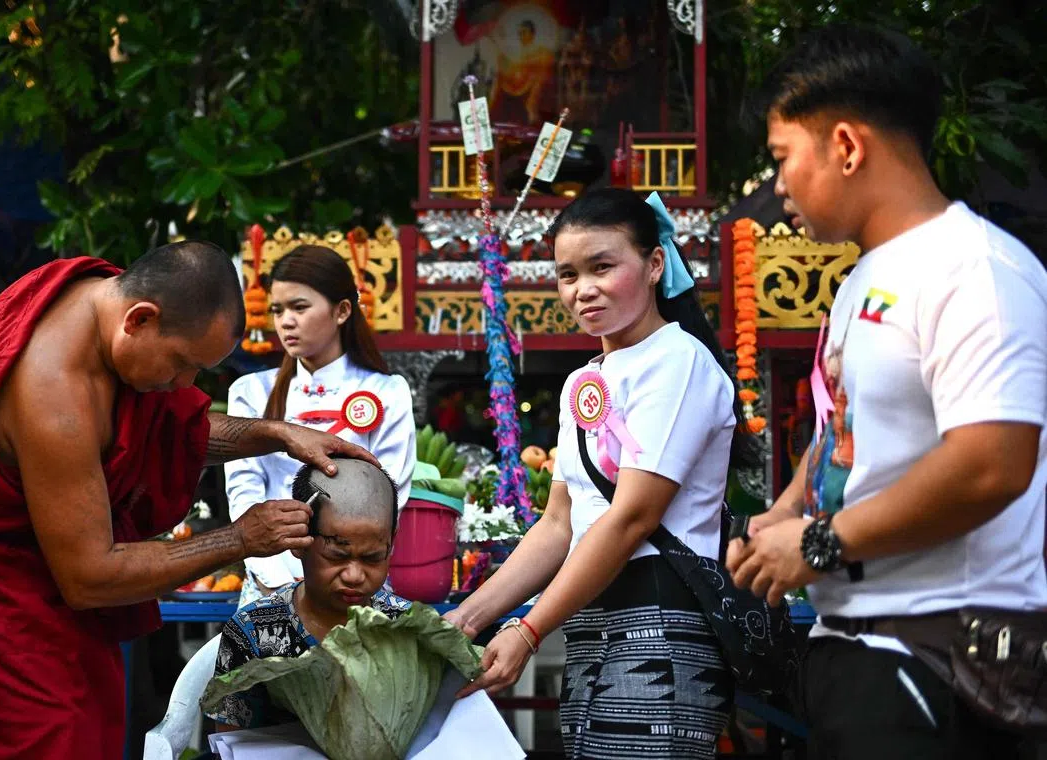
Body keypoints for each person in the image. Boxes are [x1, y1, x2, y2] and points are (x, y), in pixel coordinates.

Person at [0, 244, 375, 759]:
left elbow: (173, 433)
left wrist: (275, 434)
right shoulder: (52, 395)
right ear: (140, 319)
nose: (183, 386)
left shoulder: (103, 306)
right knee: (53, 739)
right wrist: (240, 538)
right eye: (181, 365)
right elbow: (90, 576)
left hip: (54, 595)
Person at [726, 25, 1047, 759]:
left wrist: (815, 543)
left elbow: (993, 462)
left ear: (846, 145)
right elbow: (847, 433)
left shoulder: (976, 271)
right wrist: (778, 518)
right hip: (859, 648)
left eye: (782, 158)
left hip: (938, 655)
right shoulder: (861, 279)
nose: (776, 187)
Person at [445, 188, 759, 759]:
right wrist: (466, 619)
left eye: (602, 267)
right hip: (590, 627)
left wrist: (528, 630)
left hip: (663, 631)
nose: (582, 289)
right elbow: (558, 524)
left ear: (655, 264)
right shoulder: (581, 381)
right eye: (567, 274)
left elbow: (632, 518)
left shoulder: (680, 361)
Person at [225, 246, 415, 604]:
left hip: (353, 579)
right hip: (268, 580)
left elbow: (390, 498)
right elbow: (243, 494)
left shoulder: (387, 392)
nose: (286, 322)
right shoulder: (250, 393)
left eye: (299, 307)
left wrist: (333, 569)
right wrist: (280, 581)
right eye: (278, 310)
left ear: (342, 311)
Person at [208, 458, 410, 731]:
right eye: (337, 556)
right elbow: (230, 743)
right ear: (299, 541)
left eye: (372, 558)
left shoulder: (406, 627)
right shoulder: (254, 631)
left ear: (392, 542)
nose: (354, 575)